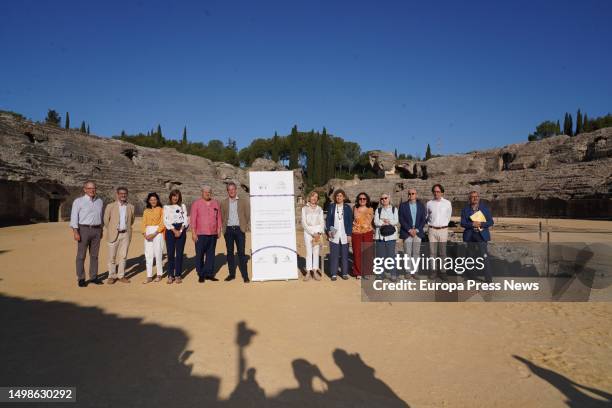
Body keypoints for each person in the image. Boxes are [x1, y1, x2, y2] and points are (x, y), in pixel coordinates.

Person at [70, 181, 104, 287]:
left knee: (95, 255)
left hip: (97, 230)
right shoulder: (78, 201)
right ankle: (81, 278)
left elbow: (101, 216)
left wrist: (101, 230)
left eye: (93, 188)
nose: (92, 190)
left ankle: (94, 277)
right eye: (89, 188)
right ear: (84, 189)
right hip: (83, 229)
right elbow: (74, 217)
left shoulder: (100, 201)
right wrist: (75, 231)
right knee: (81, 255)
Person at [460, 190, 494, 282]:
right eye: (472, 197)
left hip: (481, 236)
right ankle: (470, 276)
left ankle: (488, 279)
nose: (475, 198)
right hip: (470, 236)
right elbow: (462, 223)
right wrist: (472, 224)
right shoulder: (465, 209)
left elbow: (491, 222)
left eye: (476, 196)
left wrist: (481, 224)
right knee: (470, 257)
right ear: (469, 199)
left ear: (479, 198)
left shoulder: (485, 208)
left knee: (484, 257)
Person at [220, 182, 251, 283]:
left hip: (239, 230)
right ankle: (231, 274)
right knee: (229, 253)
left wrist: (244, 227)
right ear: (227, 191)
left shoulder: (243, 201)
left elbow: (247, 214)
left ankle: (245, 275)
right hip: (228, 230)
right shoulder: (224, 202)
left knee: (241, 253)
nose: (231, 191)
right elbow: (222, 216)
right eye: (229, 189)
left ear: (236, 190)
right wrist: (224, 230)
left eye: (233, 189)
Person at [104, 186, 135, 284]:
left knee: (123, 256)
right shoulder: (110, 206)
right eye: (121, 193)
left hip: (125, 234)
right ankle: (112, 276)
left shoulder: (131, 207)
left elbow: (132, 220)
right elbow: (106, 220)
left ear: (127, 195)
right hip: (113, 234)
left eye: (125, 194)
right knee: (112, 257)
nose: (123, 195)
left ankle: (121, 275)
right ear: (117, 194)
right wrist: (112, 229)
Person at [191, 185, 222, 283]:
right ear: (202, 192)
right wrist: (193, 233)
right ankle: (201, 274)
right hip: (200, 234)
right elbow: (193, 219)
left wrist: (219, 229)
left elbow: (219, 217)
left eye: (209, 192)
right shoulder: (196, 204)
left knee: (210, 254)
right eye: (205, 192)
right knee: (199, 254)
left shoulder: (215, 203)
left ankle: (209, 274)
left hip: (212, 233)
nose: (207, 193)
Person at [426, 184, 452, 280]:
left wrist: (443, 225)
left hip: (443, 230)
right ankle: (433, 271)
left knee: (442, 252)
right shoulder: (429, 203)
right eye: (435, 191)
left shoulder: (447, 203)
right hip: (432, 229)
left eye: (438, 191)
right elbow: (427, 216)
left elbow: (448, 216)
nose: (436, 193)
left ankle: (443, 272)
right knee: (432, 252)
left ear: (442, 192)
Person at [398, 188, 426, 278]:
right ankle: (408, 271)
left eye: (413, 193)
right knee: (407, 253)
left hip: (418, 232)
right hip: (407, 232)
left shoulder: (421, 206)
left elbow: (423, 219)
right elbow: (401, 219)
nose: (411, 195)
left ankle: (415, 271)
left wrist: (417, 230)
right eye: (409, 194)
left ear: (416, 194)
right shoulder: (403, 205)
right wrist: (409, 230)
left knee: (416, 253)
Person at [325, 189, 353, 281]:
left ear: (344, 197)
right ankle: (334, 273)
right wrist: (329, 230)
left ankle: (344, 273)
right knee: (334, 254)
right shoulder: (332, 207)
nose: (339, 197)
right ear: (335, 197)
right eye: (337, 196)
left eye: (340, 196)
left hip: (344, 233)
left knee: (345, 254)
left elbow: (349, 222)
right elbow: (328, 220)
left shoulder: (347, 208)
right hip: (334, 232)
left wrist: (349, 234)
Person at [163, 189, 189, 284]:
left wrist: (181, 230)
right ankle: (170, 275)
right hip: (170, 230)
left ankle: (178, 275)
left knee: (179, 254)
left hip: (181, 229)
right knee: (170, 254)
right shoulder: (166, 207)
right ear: (171, 197)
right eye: (173, 196)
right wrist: (174, 230)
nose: (175, 197)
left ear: (179, 197)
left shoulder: (183, 206)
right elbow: (165, 221)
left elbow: (185, 219)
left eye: (177, 196)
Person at [373, 193, 399, 280]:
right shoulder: (378, 210)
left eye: (385, 198)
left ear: (389, 198)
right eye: (382, 198)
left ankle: (393, 274)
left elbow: (396, 221)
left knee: (391, 255)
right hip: (380, 236)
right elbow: (376, 222)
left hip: (391, 237)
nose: (384, 200)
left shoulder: (394, 209)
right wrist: (384, 222)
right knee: (380, 256)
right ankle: (380, 273)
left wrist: (385, 220)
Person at [301, 191, 325, 281]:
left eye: (316, 197)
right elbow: (304, 223)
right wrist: (312, 233)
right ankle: (308, 272)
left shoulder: (320, 209)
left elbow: (322, 222)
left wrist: (319, 233)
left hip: (318, 232)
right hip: (308, 232)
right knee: (308, 252)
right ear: (309, 197)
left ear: (317, 199)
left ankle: (314, 271)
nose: (314, 198)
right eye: (312, 196)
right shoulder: (304, 208)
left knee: (316, 251)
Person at [142, 192, 165, 284]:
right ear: (148, 201)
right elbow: (143, 223)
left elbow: (162, 223)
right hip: (147, 231)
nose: (153, 201)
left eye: (155, 199)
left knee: (158, 253)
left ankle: (159, 274)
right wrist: (145, 234)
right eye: (151, 200)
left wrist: (155, 233)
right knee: (148, 254)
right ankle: (149, 276)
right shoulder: (146, 210)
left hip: (157, 232)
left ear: (157, 200)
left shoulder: (161, 209)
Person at [351, 192, 374, 280]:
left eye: (364, 199)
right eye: (360, 199)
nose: (362, 200)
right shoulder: (354, 208)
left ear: (367, 200)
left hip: (368, 232)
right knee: (357, 253)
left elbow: (372, 221)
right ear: (358, 200)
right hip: (356, 233)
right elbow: (351, 220)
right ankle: (358, 272)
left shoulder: (371, 209)